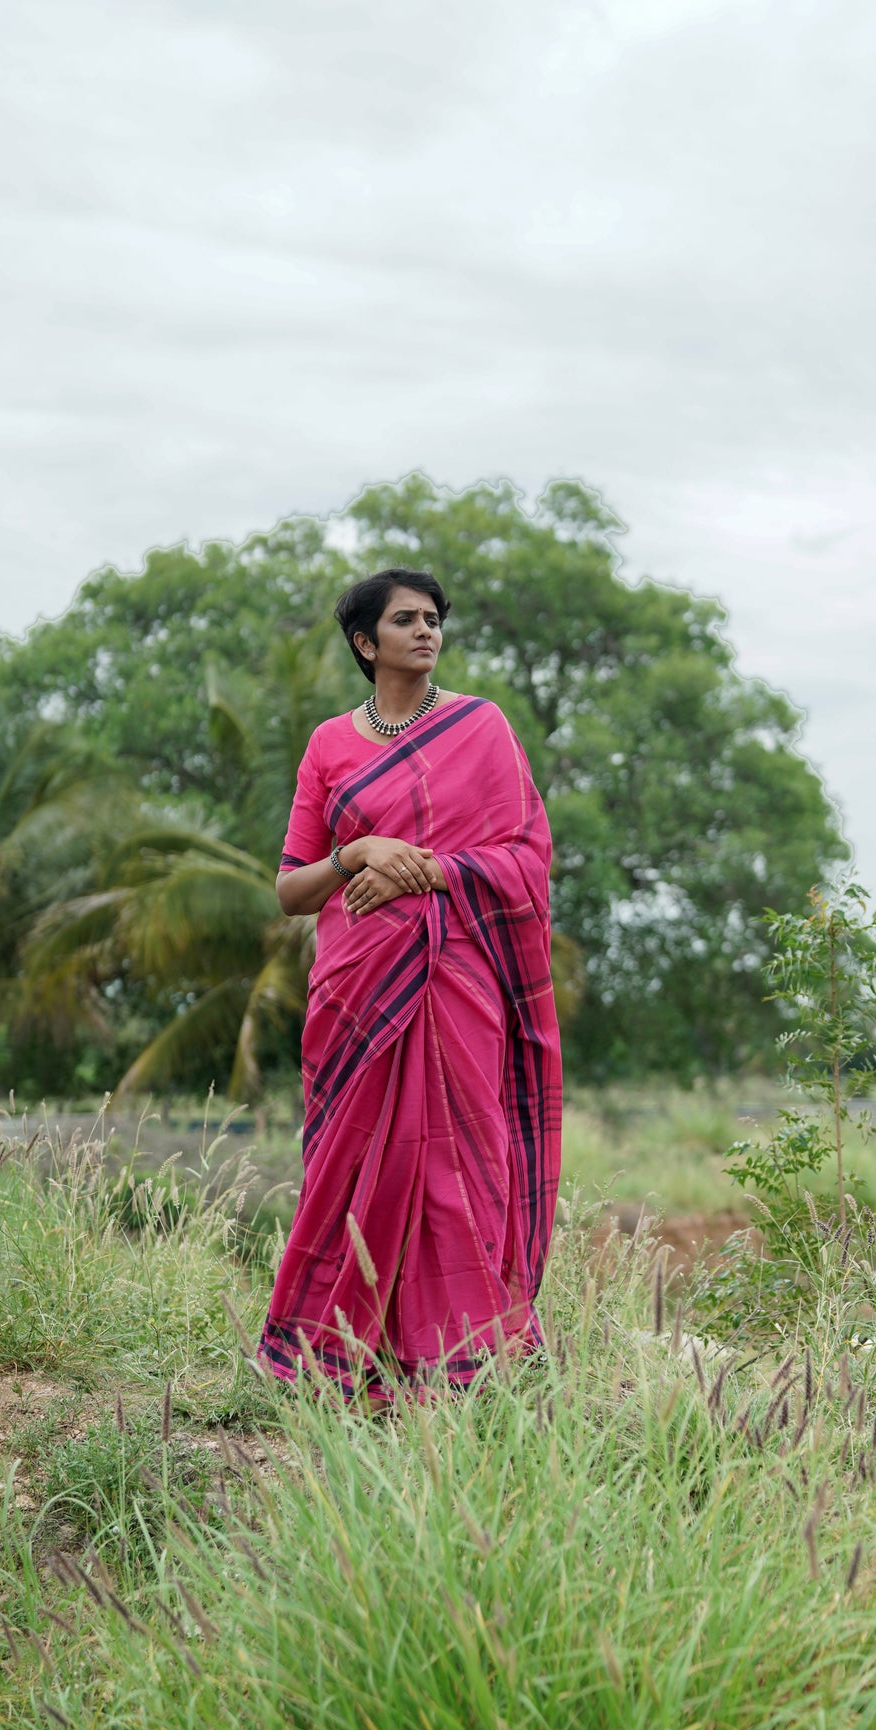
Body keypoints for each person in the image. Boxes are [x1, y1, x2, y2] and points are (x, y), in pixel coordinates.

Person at [259, 567, 562, 1398]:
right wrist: (357, 853)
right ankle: (341, 1361)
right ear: (366, 643)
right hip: (356, 992)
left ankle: (465, 1359)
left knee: (465, 1166)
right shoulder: (329, 745)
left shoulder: (481, 727)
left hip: (457, 983)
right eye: (405, 620)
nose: (426, 631)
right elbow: (290, 890)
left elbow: (525, 860)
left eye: (433, 619)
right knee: (355, 1174)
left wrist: (424, 869)